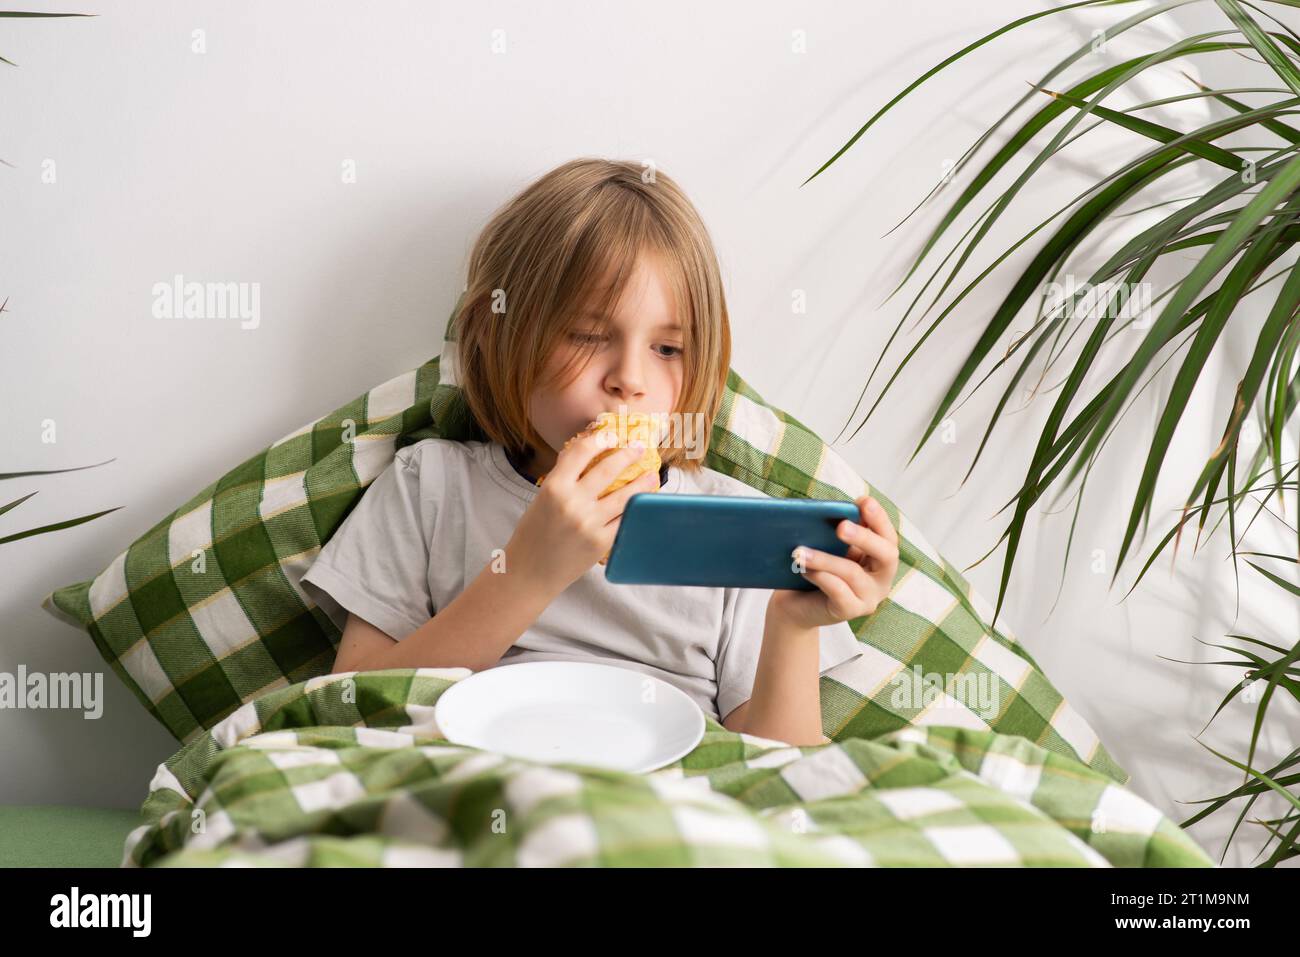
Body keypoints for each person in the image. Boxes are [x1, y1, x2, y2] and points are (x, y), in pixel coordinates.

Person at [300, 157, 899, 747]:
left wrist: (793, 626)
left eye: (668, 349)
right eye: (588, 336)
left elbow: (776, 767)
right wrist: (531, 572)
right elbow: (351, 718)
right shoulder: (428, 486)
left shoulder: (738, 528)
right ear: (494, 334)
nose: (629, 380)